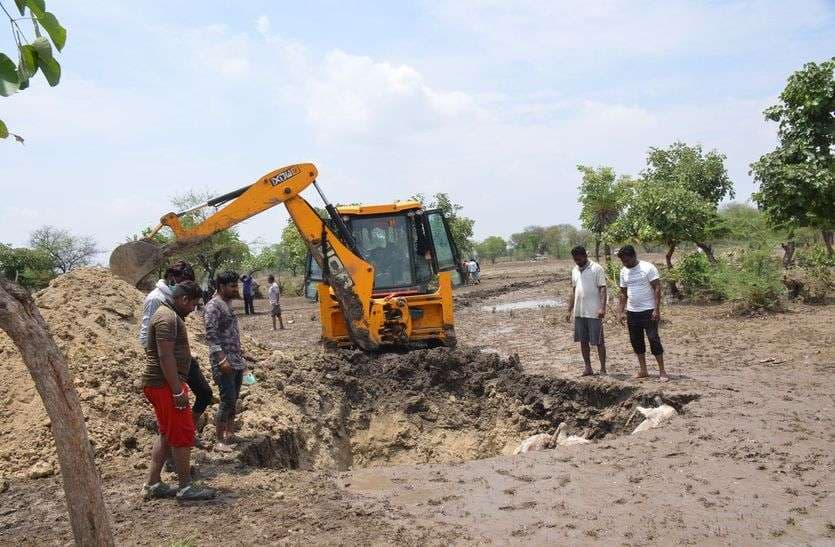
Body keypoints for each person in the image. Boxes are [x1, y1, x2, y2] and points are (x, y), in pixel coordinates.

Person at [141, 281, 216, 501]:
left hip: (159, 384)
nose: (194, 309)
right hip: (165, 385)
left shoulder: (167, 314)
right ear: (184, 299)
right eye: (194, 304)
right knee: (183, 435)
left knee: (165, 434)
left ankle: (153, 483)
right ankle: (185, 487)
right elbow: (165, 356)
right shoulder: (168, 317)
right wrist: (177, 390)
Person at [138, 261, 212, 438]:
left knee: (204, 393)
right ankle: (183, 438)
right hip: (166, 363)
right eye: (184, 283)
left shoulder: (176, 299)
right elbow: (146, 335)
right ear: (173, 278)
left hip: (177, 358)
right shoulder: (157, 299)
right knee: (199, 395)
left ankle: (186, 434)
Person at [204, 271, 246, 452]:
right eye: (232, 286)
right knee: (226, 399)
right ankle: (219, 440)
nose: (236, 289)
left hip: (235, 359)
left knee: (234, 398)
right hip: (224, 361)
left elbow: (230, 333)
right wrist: (221, 360)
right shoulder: (213, 306)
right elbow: (211, 335)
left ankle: (230, 433)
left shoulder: (226, 304)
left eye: (236, 285)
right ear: (221, 287)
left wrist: (242, 353)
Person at [615, 245, 669, 382]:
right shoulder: (623, 271)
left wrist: (657, 309)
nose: (625, 263)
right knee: (636, 342)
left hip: (648, 311)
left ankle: (662, 371)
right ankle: (643, 370)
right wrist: (620, 311)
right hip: (632, 312)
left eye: (626, 260)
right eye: (622, 261)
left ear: (634, 256)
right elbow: (623, 293)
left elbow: (657, 288)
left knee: (653, 340)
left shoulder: (648, 268)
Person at [564, 245, 607, 376]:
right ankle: (588, 368)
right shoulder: (575, 270)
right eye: (575, 259)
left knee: (599, 341)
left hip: (594, 312)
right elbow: (574, 291)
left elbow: (603, 288)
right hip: (579, 312)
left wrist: (602, 308)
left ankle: (603, 369)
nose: (577, 261)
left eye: (579, 259)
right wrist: (569, 310)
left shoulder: (596, 268)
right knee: (583, 341)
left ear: (585, 256)